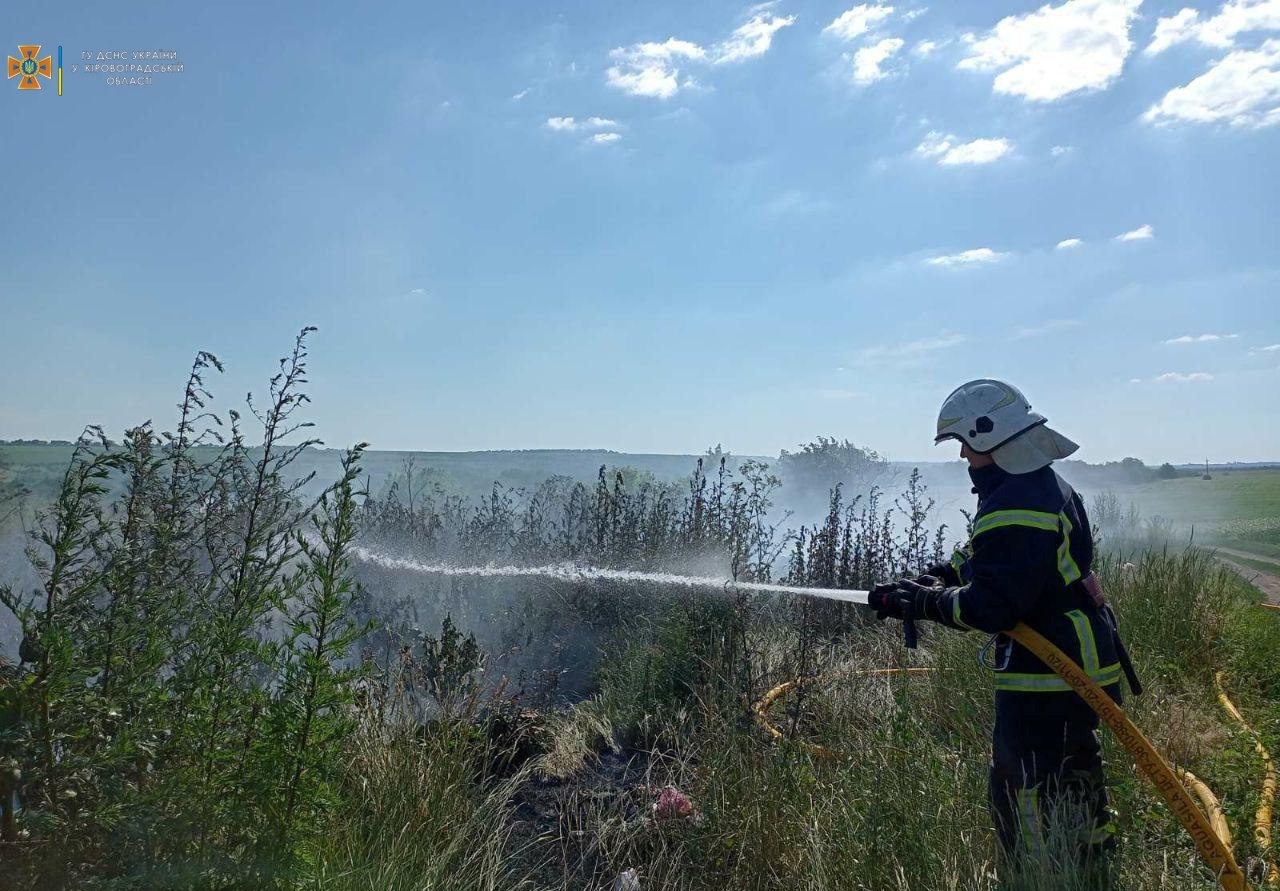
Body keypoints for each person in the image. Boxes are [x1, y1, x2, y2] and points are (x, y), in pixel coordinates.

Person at [869, 379, 1139, 880]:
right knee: (1073, 769)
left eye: (965, 444)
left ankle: (1034, 876)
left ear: (990, 438)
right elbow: (987, 557)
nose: (964, 457)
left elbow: (992, 606)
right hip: (1077, 659)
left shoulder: (1018, 501)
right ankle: (1091, 864)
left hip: (1050, 670)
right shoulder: (1037, 485)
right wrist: (938, 576)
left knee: (1024, 784)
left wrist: (924, 602)